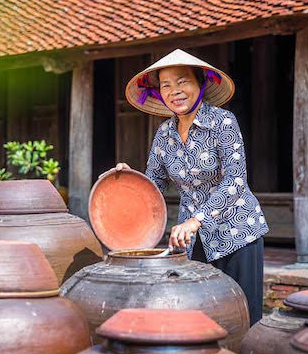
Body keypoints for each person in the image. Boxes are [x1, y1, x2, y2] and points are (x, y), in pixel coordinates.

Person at [112, 49, 268, 325]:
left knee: (242, 317)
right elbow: (153, 185)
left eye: (182, 81)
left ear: (200, 83)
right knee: (200, 316)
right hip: (190, 240)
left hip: (237, 231)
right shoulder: (164, 133)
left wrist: (197, 220)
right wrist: (128, 181)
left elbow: (236, 181)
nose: (175, 91)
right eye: (166, 85)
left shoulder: (223, 122)